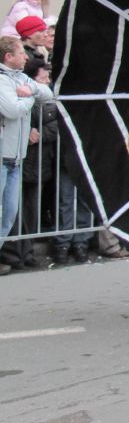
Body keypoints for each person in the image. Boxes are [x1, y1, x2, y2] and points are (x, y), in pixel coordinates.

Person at [0, 36, 54, 276]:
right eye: (21, 52)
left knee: (8, 215)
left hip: (16, 158)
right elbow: (12, 110)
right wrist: (30, 97)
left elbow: (47, 92)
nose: (26, 56)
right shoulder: (2, 80)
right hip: (2, 156)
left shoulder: (21, 78)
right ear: (8, 56)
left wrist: (30, 89)